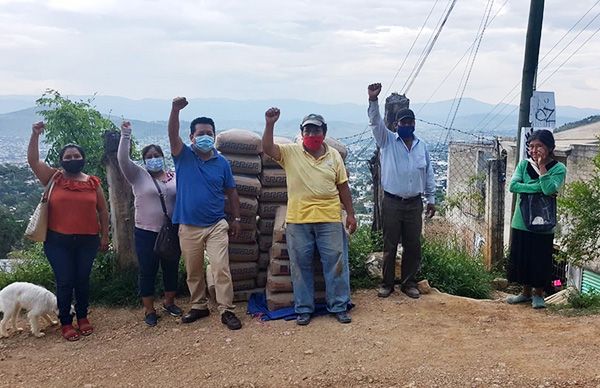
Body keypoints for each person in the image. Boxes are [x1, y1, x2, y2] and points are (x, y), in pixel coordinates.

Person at [262, 107, 357, 326]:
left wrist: (350, 214)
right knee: (300, 265)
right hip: (299, 219)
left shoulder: (333, 156)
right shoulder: (291, 152)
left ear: (324, 132)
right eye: (308, 131)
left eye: (316, 130)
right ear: (301, 133)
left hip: (330, 218)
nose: (312, 135)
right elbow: (267, 148)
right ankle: (304, 308)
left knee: (336, 263)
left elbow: (343, 187)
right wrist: (270, 123)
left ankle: (339, 306)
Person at [27, 121, 110, 341]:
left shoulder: (93, 182)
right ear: (61, 160)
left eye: (76, 156)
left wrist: (105, 236)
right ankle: (65, 321)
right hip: (57, 241)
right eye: (68, 157)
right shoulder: (54, 178)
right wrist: (35, 134)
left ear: (83, 158)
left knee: (82, 279)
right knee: (65, 281)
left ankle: (82, 316)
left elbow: (103, 210)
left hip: (87, 240)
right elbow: (34, 161)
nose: (73, 159)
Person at [167, 97, 243, 330]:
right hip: (188, 225)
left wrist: (237, 218)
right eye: (200, 133)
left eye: (209, 132)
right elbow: (172, 134)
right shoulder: (183, 156)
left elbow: (231, 192)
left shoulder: (222, 163)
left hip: (216, 224)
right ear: (191, 137)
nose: (205, 136)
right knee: (194, 270)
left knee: (221, 267)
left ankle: (227, 310)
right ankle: (198, 305)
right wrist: (175, 110)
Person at [367, 83, 436, 299]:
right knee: (389, 244)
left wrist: (431, 198)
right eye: (403, 122)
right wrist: (372, 100)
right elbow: (375, 122)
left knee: (413, 245)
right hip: (392, 202)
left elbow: (429, 173)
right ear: (396, 124)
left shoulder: (421, 146)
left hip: (414, 203)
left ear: (414, 124)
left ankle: (409, 283)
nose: (407, 125)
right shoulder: (387, 140)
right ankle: (387, 283)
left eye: (410, 122)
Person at [117, 121, 182, 327]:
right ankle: (149, 309)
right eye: (149, 157)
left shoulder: (173, 176)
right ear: (144, 161)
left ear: (163, 157)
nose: (154, 160)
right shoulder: (138, 176)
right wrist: (125, 134)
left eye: (157, 156)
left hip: (172, 230)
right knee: (148, 270)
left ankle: (169, 302)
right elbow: (122, 159)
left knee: (171, 267)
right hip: (146, 232)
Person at [506, 129, 566, 309]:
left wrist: (541, 168)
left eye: (538, 146)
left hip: (544, 222)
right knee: (523, 257)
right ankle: (524, 293)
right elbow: (514, 186)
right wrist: (537, 186)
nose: (534, 150)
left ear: (549, 147)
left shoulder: (558, 168)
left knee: (540, 258)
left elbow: (548, 189)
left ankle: (538, 294)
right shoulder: (523, 165)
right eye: (531, 146)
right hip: (522, 221)